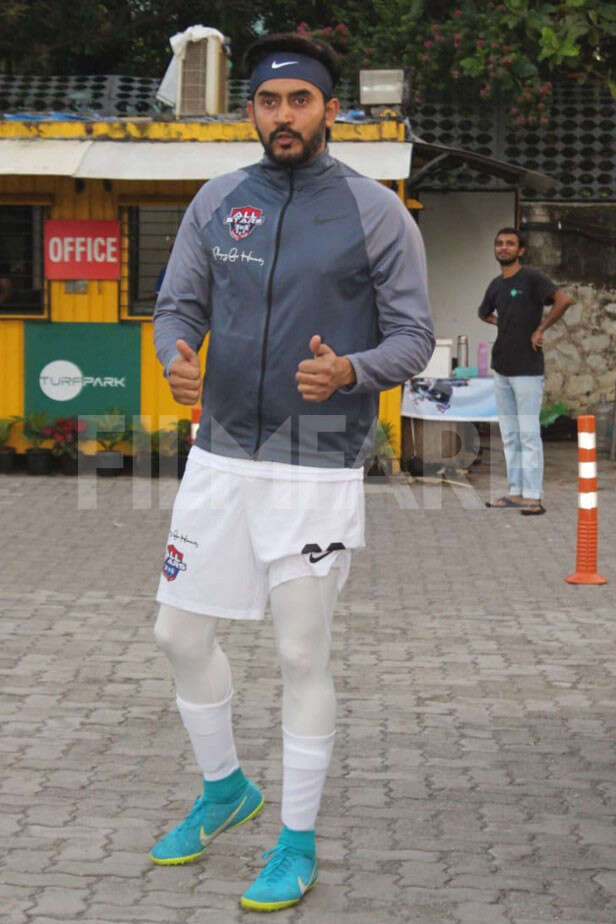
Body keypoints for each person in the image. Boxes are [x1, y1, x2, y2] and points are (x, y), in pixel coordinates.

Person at [150, 31, 434, 912]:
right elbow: (178, 304)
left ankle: (297, 841)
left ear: (329, 110)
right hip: (221, 456)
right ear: (250, 112)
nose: (284, 117)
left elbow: (414, 339)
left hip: (315, 467)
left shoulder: (375, 210)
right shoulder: (216, 200)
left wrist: (351, 370)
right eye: (270, 103)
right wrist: (175, 355)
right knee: (178, 636)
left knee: (300, 651)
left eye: (300, 101)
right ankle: (227, 790)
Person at [480, 227, 572, 515]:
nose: (504, 248)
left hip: (528, 369)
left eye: (510, 244)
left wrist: (540, 329)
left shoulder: (532, 278)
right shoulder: (496, 284)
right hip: (501, 367)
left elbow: (563, 299)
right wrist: (505, 323)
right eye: (499, 243)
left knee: (529, 433)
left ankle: (533, 496)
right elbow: (483, 312)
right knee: (509, 434)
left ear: (521, 251)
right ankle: (515, 492)